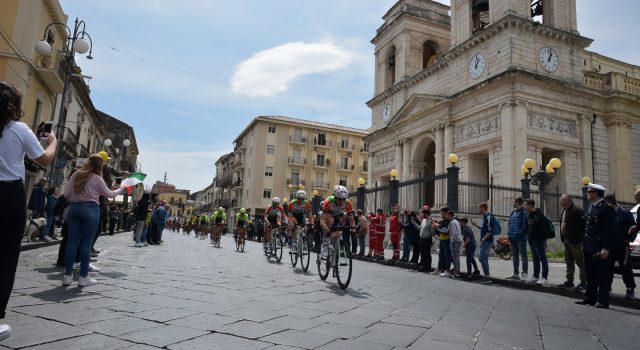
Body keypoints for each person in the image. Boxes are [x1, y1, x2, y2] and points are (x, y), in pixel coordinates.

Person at [0, 81, 57, 341]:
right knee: (6, 259)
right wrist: (52, 142)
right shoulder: (18, 129)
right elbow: (43, 160)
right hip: (8, 196)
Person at [62, 154, 123, 287]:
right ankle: (83, 277)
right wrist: (120, 189)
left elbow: (66, 194)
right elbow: (110, 194)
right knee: (86, 244)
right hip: (90, 209)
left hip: (74, 208)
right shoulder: (97, 178)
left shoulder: (76, 175)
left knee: (72, 243)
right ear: (100, 166)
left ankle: (67, 276)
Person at [576, 183, 616, 308]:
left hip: (599, 247)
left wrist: (606, 248)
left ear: (596, 193)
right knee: (590, 274)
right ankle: (590, 298)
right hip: (589, 245)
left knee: (602, 275)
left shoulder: (606, 208)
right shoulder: (591, 207)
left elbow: (608, 230)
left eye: (590, 192)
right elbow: (589, 228)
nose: (588, 194)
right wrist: (585, 244)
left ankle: (603, 300)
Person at [604, 194, 636, 300]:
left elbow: (633, 227)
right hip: (610, 244)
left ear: (610, 203)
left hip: (622, 245)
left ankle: (630, 288)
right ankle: (607, 286)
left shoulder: (625, 213)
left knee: (625, 267)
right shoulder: (608, 214)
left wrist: (629, 239)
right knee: (608, 266)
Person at [557, 194, 587, 290]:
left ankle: (583, 282)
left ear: (568, 200)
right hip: (566, 240)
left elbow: (584, 225)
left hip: (575, 241)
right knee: (569, 261)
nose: (560, 200)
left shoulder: (576, 211)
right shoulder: (565, 210)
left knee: (580, 262)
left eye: (562, 199)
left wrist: (580, 238)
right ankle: (569, 281)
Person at [318, 185, 356, 258]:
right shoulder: (328, 201)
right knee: (329, 220)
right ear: (335, 197)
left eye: (343, 199)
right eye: (339, 199)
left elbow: (351, 218)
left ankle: (334, 251)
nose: (341, 202)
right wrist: (328, 231)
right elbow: (322, 222)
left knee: (337, 233)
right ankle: (325, 244)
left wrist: (354, 229)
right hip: (327, 215)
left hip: (337, 215)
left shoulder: (347, 203)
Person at [471, 202, 499, 284]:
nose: (478, 210)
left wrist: (483, 239)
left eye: (479, 208)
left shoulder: (489, 217)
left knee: (481, 257)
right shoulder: (485, 217)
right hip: (486, 240)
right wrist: (476, 225)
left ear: (483, 208)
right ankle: (487, 276)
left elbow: (490, 231)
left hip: (487, 241)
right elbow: (485, 230)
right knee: (484, 258)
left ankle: (487, 277)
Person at [523, 199, 549, 285]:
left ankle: (544, 277)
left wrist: (538, 238)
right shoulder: (529, 214)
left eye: (525, 205)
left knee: (542, 258)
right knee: (535, 258)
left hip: (539, 240)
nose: (524, 206)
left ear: (530, 205)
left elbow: (541, 227)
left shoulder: (538, 214)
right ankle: (535, 276)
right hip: (531, 240)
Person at [506, 197, 528, 281]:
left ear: (518, 202)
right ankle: (515, 273)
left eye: (514, 202)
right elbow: (510, 224)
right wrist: (509, 234)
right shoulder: (513, 212)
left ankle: (524, 274)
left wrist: (519, 234)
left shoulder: (524, 212)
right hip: (512, 238)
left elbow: (525, 225)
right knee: (515, 256)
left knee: (523, 256)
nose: (512, 203)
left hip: (521, 238)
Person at [433, 207, 451, 276]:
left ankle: (447, 270)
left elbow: (445, 231)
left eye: (442, 212)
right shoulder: (443, 220)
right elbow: (440, 231)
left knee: (447, 255)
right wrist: (437, 225)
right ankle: (440, 269)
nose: (441, 214)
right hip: (442, 239)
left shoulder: (448, 221)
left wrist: (437, 226)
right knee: (441, 255)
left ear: (446, 213)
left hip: (447, 239)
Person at [445, 211, 462, 278]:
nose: (446, 217)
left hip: (455, 241)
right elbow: (446, 230)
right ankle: (456, 272)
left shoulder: (452, 222)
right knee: (456, 257)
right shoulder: (455, 221)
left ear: (450, 215)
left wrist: (451, 241)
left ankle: (456, 273)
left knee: (455, 257)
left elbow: (454, 233)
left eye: (447, 215)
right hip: (457, 240)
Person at [417, 206, 434, 272]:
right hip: (422, 238)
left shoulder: (430, 220)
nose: (421, 215)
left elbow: (432, 232)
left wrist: (429, 234)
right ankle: (424, 267)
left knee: (427, 253)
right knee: (423, 253)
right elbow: (420, 228)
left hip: (427, 239)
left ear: (426, 214)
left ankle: (428, 267)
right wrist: (414, 223)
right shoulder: (424, 220)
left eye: (422, 213)